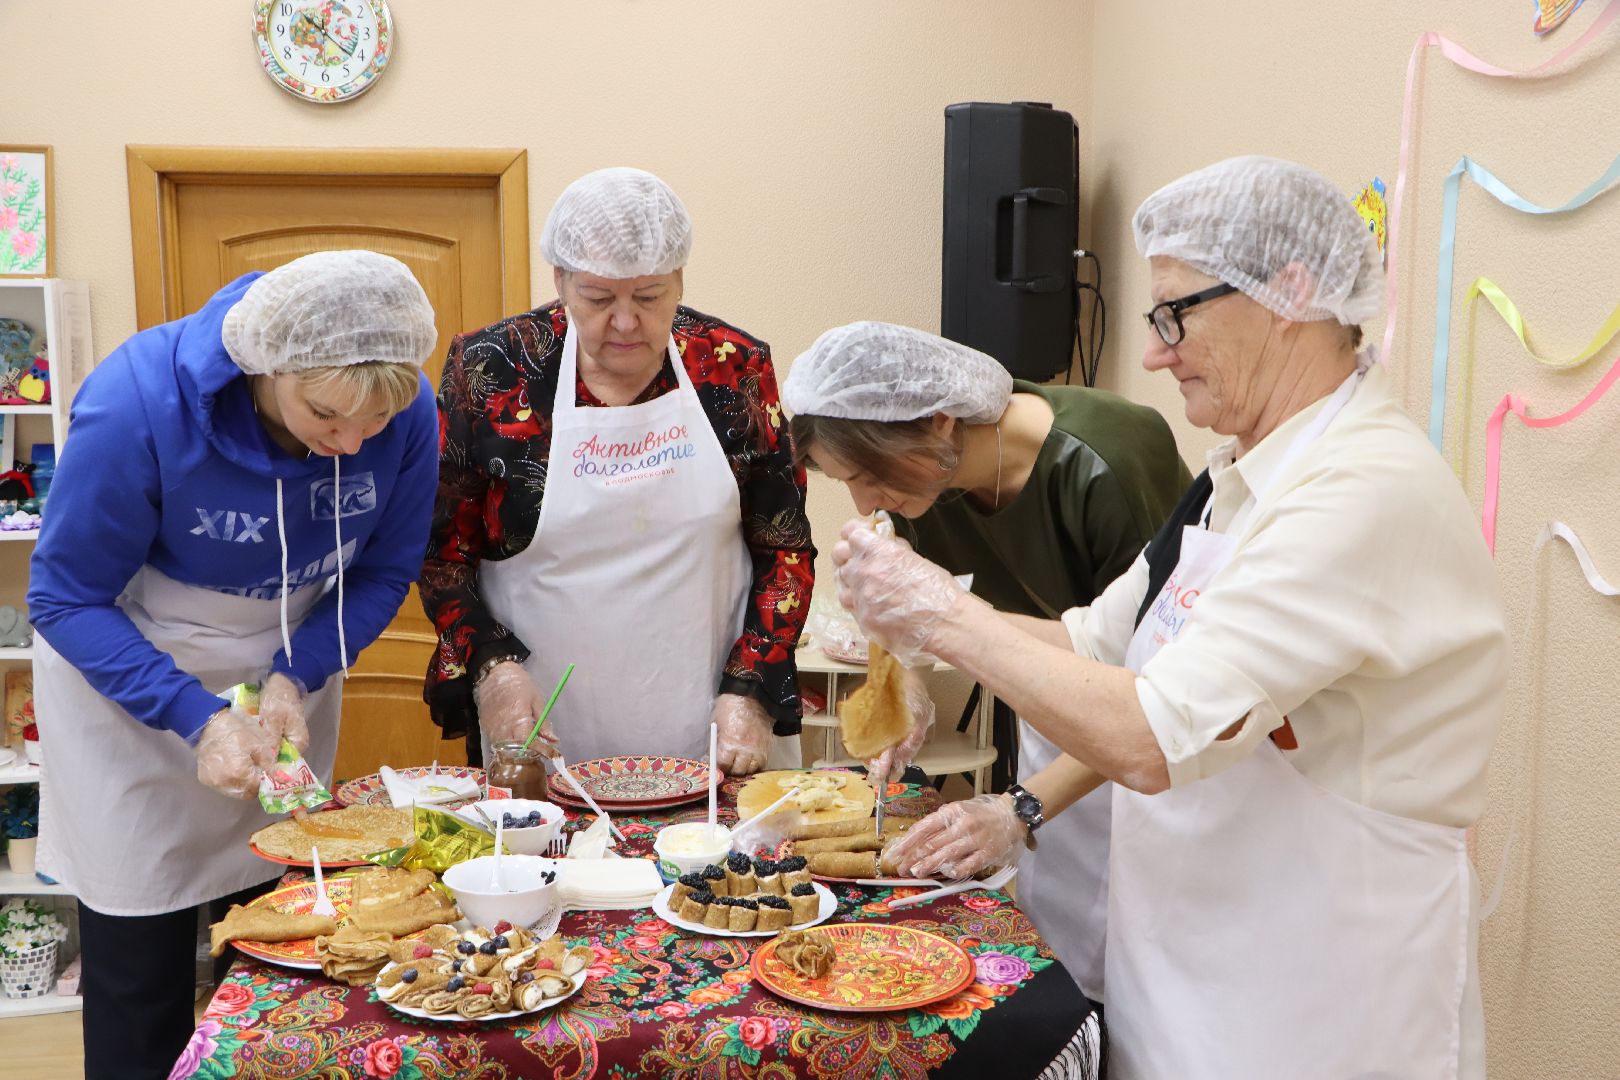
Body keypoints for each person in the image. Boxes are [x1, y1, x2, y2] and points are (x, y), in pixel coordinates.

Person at [836, 157, 1509, 1078]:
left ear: (1291, 293)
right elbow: (1087, 643)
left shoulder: (1361, 492)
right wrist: (914, 626)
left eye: (1175, 314)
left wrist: (945, 614)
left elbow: (1153, 736)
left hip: (1322, 999)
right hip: (1192, 976)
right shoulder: (1232, 480)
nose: (1153, 353)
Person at [26, 250, 440, 1080]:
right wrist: (200, 715)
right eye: (326, 414)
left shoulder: (405, 406)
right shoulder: (137, 401)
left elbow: (384, 569)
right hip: (131, 681)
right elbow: (65, 597)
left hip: (288, 672)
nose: (350, 443)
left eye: (372, 427)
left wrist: (297, 671)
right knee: (141, 973)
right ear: (266, 364)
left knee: (278, 956)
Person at [781, 321, 1188, 998]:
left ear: (940, 421)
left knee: (1142, 979)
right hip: (1051, 720)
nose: (865, 502)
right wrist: (907, 682)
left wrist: (1020, 809)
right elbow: (913, 599)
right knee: (1060, 955)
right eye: (844, 481)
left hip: (1156, 733)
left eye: (868, 475)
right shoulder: (918, 478)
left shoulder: (1107, 460)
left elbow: (1152, 688)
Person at [421, 167, 812, 773]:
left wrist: (754, 686)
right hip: (540, 732)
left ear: (679, 280)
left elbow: (785, 547)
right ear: (561, 280)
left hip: (712, 725)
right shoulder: (494, 366)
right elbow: (444, 557)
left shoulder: (732, 366)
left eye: (650, 297)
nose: (625, 323)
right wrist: (491, 672)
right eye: (599, 298)